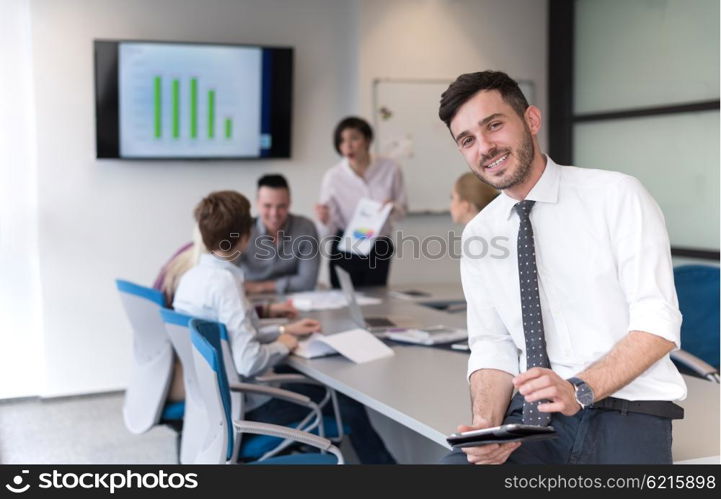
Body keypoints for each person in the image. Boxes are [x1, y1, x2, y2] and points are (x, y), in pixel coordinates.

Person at [438, 71, 685, 465]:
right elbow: (492, 344)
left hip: (628, 410)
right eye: (467, 140)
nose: (485, 147)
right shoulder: (479, 233)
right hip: (533, 420)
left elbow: (657, 323)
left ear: (531, 120)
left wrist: (580, 389)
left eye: (494, 125)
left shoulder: (616, 195)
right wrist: (487, 426)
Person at [173, 190, 396, 464]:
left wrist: (283, 331)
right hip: (249, 405)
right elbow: (248, 361)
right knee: (342, 401)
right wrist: (285, 345)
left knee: (324, 393)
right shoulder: (226, 285)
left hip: (214, 404)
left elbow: (226, 338)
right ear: (245, 236)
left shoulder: (190, 279)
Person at [315, 117, 408, 288]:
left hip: (378, 245)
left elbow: (402, 212)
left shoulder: (390, 168)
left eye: (354, 138)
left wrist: (392, 208)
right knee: (342, 302)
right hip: (345, 246)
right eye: (342, 141)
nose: (348, 146)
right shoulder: (333, 177)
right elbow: (327, 231)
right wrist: (323, 219)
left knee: (376, 302)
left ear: (368, 140)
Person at [239, 174, 320, 295]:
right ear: (257, 203)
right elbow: (226, 275)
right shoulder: (243, 230)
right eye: (267, 206)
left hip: (294, 300)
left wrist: (258, 287)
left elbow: (307, 282)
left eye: (281, 206)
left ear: (289, 203)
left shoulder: (305, 228)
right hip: (250, 300)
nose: (274, 214)